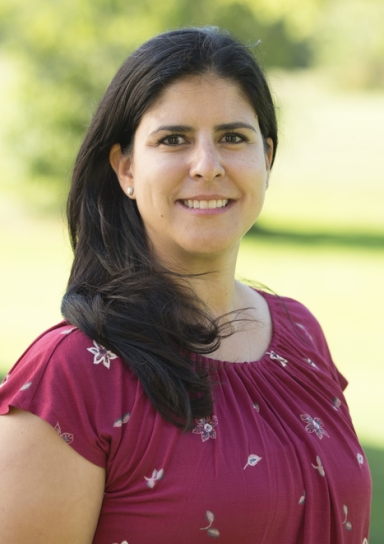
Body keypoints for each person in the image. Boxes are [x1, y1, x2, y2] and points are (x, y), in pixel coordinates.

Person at [0, 27, 371, 544]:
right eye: (173, 139)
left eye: (232, 138)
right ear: (126, 168)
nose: (207, 166)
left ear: (266, 158)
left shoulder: (299, 332)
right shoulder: (71, 376)